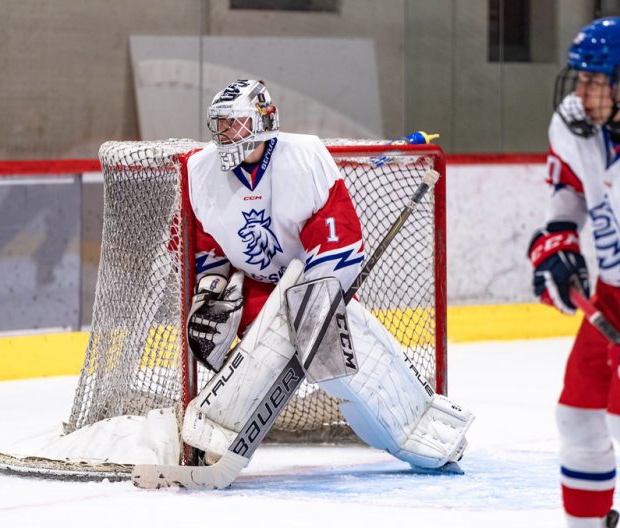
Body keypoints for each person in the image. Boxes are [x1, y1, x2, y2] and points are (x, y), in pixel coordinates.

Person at [181, 79, 473, 471]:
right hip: (253, 290)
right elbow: (208, 244)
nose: (227, 135)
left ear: (265, 122)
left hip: (309, 281)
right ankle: (211, 443)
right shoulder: (200, 170)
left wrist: (311, 308)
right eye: (222, 126)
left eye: (238, 125)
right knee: (254, 368)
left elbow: (340, 242)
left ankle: (427, 432)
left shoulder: (303, 157)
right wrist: (211, 294)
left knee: (341, 361)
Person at [528, 17, 620, 528]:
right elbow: (570, 185)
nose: (580, 92)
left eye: (594, 81)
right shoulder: (575, 123)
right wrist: (559, 236)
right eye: (578, 78)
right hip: (610, 292)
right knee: (579, 415)